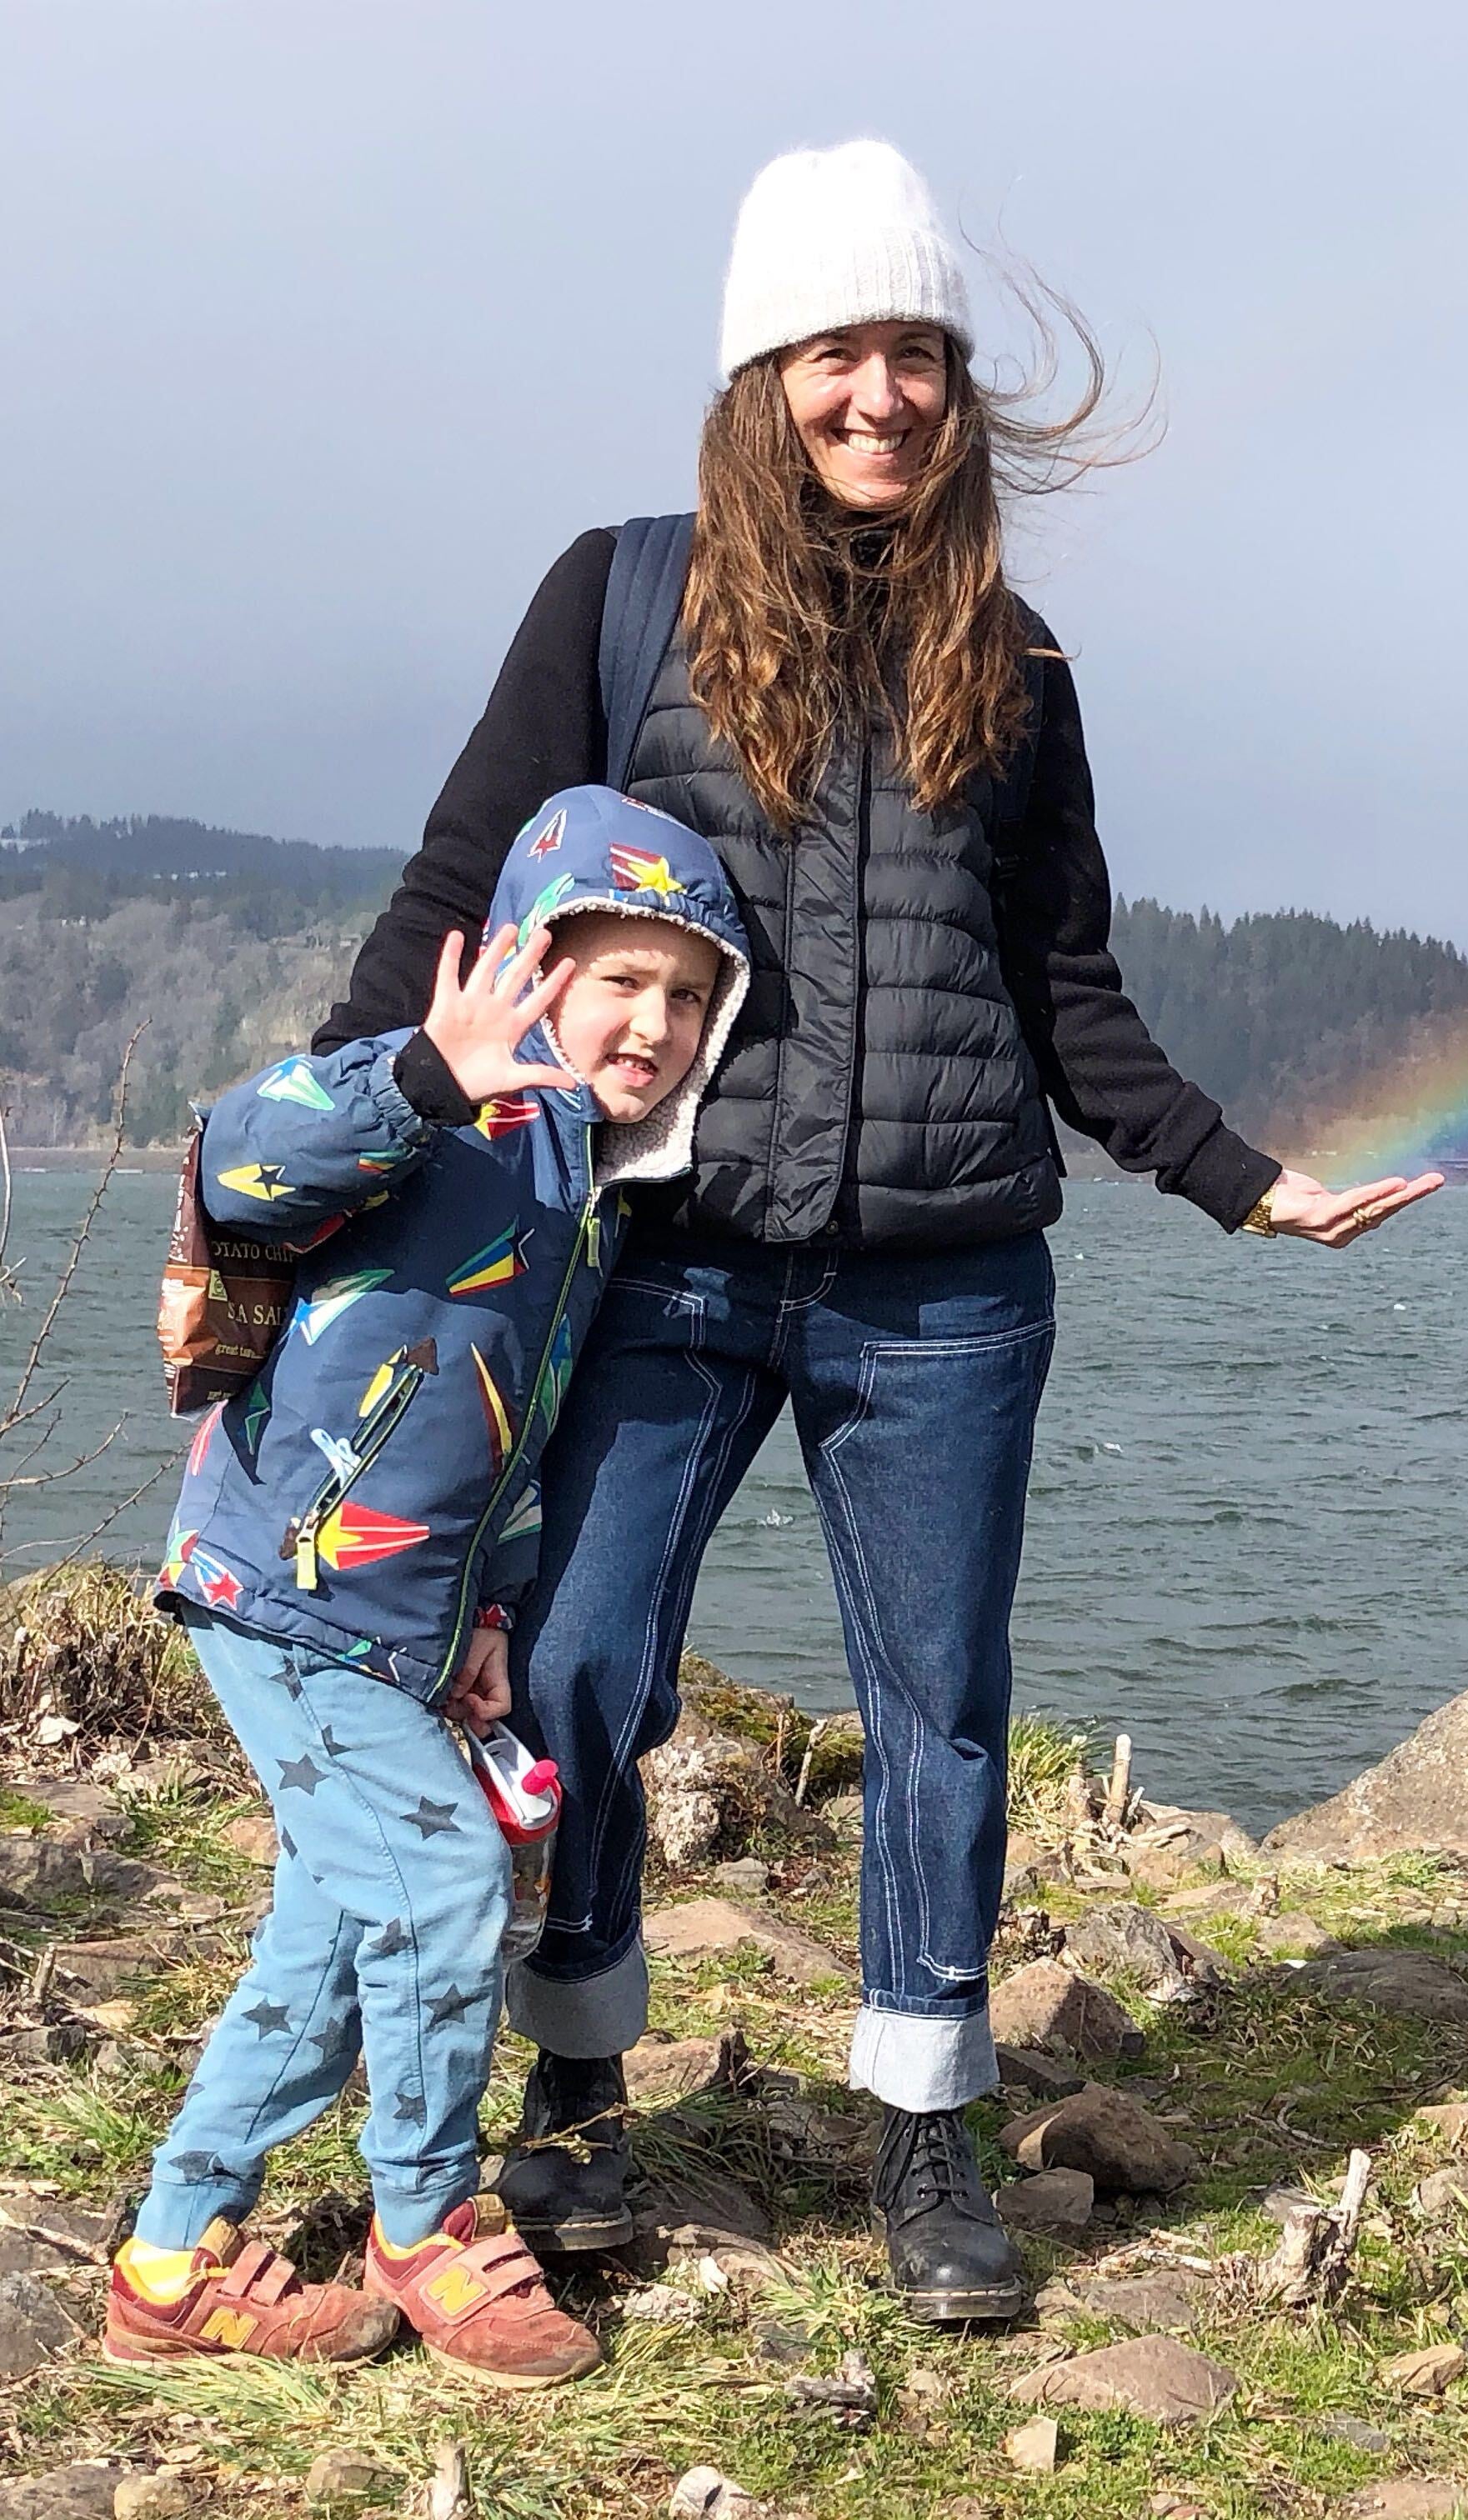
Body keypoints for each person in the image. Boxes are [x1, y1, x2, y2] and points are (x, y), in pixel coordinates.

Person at [314, 138, 1436, 2322]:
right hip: (657, 1258)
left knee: (938, 1708)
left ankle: (928, 2134)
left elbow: (1066, 992)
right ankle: (574, 2096)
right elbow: (461, 899)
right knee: (572, 1666)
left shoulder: (1011, 660)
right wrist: (316, 1146)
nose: (883, 393)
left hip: (944, 1288)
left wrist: (1241, 1179)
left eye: (918, 351)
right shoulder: (616, 599)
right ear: (764, 374)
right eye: (839, 348)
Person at [118, 785, 752, 2384]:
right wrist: (419, 1073)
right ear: (536, 964)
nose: (656, 1023)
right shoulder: (427, 1102)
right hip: (280, 1583)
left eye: (689, 996)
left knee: (331, 1942)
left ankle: (171, 2259)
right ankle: (427, 2222)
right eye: (621, 980)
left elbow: (507, 1438)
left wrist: (485, 1618)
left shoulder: (592, 1198)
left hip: (398, 1621)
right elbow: (241, 1162)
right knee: (452, 1888)